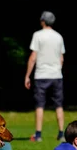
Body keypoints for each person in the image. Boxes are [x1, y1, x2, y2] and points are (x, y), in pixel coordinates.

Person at [24, 11, 66, 142]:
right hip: (56, 75)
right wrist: (57, 69)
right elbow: (61, 58)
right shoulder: (59, 37)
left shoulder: (38, 35)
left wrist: (27, 76)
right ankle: (61, 133)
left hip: (41, 75)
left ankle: (38, 134)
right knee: (58, 105)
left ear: (43, 21)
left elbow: (33, 57)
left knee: (40, 105)